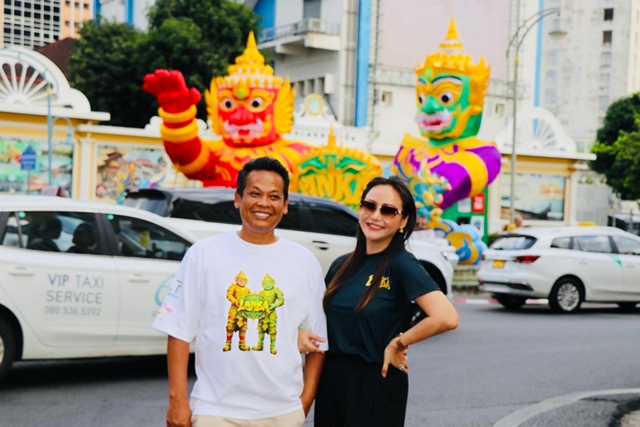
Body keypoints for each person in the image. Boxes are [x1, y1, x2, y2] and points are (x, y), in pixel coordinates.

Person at [152, 157, 328, 427]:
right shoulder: (204, 253)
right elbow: (178, 329)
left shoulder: (304, 262)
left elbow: (318, 343)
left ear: (285, 205)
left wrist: (304, 402)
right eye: (255, 193)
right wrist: (177, 400)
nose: (264, 203)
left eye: (274, 196)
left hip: (282, 413)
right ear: (238, 198)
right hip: (215, 411)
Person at [306, 176, 459, 427]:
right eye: (370, 206)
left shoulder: (401, 264)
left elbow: (446, 317)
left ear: (403, 221)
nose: (376, 216)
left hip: (376, 384)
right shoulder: (341, 265)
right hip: (332, 382)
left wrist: (399, 343)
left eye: (388, 210)